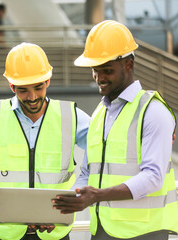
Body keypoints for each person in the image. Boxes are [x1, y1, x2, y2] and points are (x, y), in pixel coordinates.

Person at [52, 20, 178, 240]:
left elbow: (153, 177)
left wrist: (96, 196)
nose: (99, 78)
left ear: (128, 64)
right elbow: (88, 172)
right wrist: (68, 202)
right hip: (102, 231)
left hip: (144, 233)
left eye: (107, 70)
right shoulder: (100, 113)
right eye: (95, 70)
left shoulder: (153, 112)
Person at [0, 42, 90, 240]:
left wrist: (77, 193)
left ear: (48, 81)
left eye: (38, 87)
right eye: (23, 90)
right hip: (5, 234)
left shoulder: (71, 116)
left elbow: (102, 156)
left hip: (53, 233)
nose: (32, 97)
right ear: (11, 85)